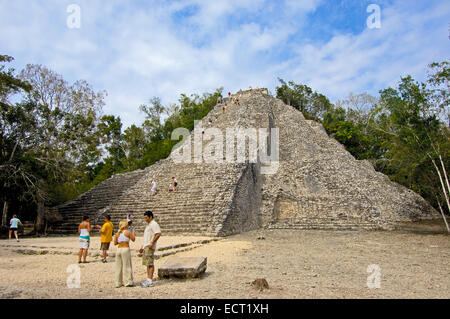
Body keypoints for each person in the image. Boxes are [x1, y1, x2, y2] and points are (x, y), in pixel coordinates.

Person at [140, 211, 161, 288]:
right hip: (146, 246)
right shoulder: (149, 225)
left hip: (149, 247)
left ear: (150, 217)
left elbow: (158, 234)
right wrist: (142, 247)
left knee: (150, 263)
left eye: (146, 217)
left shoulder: (154, 224)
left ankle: (150, 280)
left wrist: (152, 243)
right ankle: (148, 279)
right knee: (147, 263)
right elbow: (146, 237)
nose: (145, 219)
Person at [114, 220, 136, 288]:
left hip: (119, 249)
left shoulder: (117, 233)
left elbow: (115, 243)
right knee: (127, 266)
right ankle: (128, 281)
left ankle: (118, 282)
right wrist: (133, 233)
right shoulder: (128, 232)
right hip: (125, 249)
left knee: (118, 267)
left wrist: (121, 240)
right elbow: (133, 239)